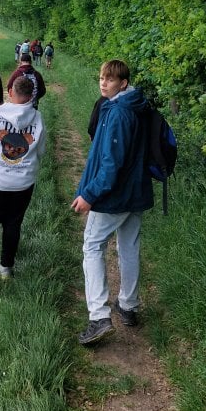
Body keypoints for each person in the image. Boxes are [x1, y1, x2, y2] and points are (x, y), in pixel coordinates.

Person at [71, 59, 153, 345]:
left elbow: (111, 164)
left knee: (93, 245)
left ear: (123, 83)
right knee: (128, 247)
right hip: (136, 190)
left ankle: (99, 316)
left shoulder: (118, 112)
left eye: (110, 79)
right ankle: (128, 306)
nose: (103, 83)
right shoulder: (136, 106)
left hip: (117, 195)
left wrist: (89, 195)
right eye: (101, 78)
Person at [0, 76, 46, 290]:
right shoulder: (37, 118)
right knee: (13, 223)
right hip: (22, 183)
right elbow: (41, 151)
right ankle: (6, 269)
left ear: (11, 92)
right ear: (31, 96)